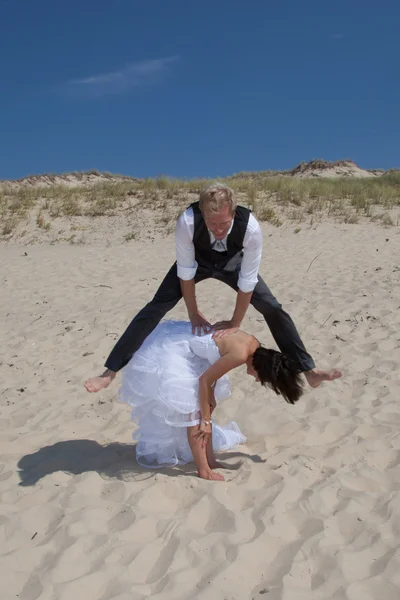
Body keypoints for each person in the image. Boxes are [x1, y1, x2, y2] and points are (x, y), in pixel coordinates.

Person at [85, 182, 341, 393]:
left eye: (224, 223)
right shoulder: (187, 221)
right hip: (198, 259)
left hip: (233, 262)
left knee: (271, 307)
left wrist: (235, 321)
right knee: (156, 306)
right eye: (212, 223)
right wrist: (193, 313)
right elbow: (185, 273)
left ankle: (309, 370)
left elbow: (247, 281)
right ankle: (110, 372)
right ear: (202, 214)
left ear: (233, 213)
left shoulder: (250, 227)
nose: (218, 230)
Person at [118, 319, 304, 481]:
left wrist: (211, 396)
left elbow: (212, 361)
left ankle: (211, 461)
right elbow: (204, 380)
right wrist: (206, 420)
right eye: (261, 378)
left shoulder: (254, 345)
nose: (256, 379)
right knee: (194, 412)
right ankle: (203, 470)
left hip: (194, 351)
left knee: (204, 406)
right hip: (174, 348)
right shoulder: (240, 355)